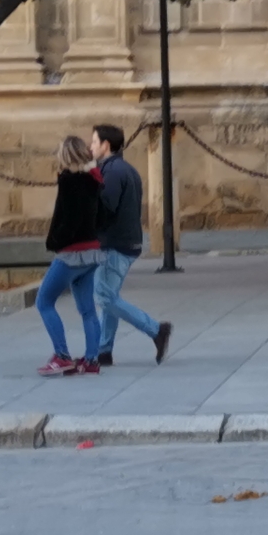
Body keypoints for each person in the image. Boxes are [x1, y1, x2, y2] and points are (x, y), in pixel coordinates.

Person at [90, 124, 172, 366]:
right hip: (125, 241)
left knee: (103, 295)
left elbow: (106, 207)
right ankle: (104, 350)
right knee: (109, 295)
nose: (90, 146)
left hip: (115, 243)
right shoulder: (123, 169)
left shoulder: (112, 172)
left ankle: (156, 330)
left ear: (106, 145)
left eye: (94, 142)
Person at [36, 135, 106, 376]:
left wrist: (54, 241)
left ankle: (62, 356)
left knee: (44, 301)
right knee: (87, 309)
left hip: (71, 253)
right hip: (93, 251)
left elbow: (67, 220)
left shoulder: (69, 182)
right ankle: (92, 360)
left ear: (66, 156)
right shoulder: (94, 180)